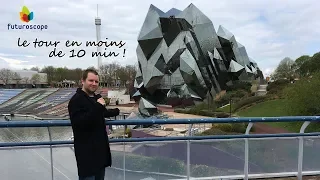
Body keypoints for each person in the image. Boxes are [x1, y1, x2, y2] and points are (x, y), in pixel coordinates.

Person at [68, 69, 120, 180]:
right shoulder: (76, 100)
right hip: (87, 156)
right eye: (91, 80)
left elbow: (101, 112)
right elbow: (80, 123)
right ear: (83, 81)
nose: (94, 84)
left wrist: (116, 111)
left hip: (100, 155)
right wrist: (98, 106)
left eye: (96, 81)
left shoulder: (95, 98)